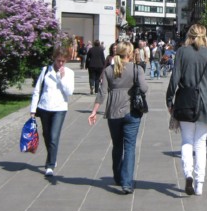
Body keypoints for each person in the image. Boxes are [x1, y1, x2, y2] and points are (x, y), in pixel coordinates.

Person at [166, 24, 207, 197]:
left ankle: (188, 174)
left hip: (185, 103)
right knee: (200, 144)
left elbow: (174, 77)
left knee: (186, 141)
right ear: (205, 35)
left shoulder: (182, 52)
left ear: (189, 35)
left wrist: (169, 99)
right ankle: (199, 184)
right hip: (206, 104)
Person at [88, 42, 148, 194]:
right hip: (132, 111)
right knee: (130, 147)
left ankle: (117, 175)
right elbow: (144, 88)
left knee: (117, 145)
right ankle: (127, 183)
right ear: (129, 54)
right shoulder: (136, 69)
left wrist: (94, 111)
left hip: (113, 111)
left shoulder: (109, 70)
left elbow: (102, 92)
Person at [30, 46, 75, 177]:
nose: (60, 63)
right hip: (44, 107)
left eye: (63, 61)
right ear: (54, 59)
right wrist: (33, 110)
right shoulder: (45, 71)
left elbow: (69, 92)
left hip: (59, 108)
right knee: (46, 135)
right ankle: (52, 156)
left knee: (54, 136)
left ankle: (50, 164)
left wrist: (62, 78)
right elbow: (37, 90)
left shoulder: (69, 73)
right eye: (58, 60)